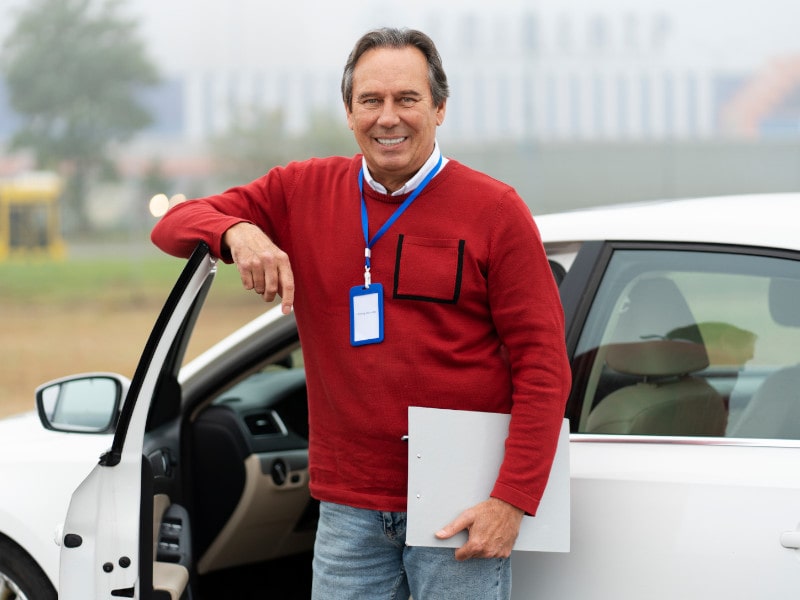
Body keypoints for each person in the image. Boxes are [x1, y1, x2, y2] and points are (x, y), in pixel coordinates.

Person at [151, 26, 570, 600]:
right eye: (370, 100)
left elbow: (544, 365)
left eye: (407, 99)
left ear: (440, 108)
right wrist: (238, 231)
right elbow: (171, 225)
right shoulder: (300, 190)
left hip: (460, 505)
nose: (388, 117)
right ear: (349, 112)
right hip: (347, 511)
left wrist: (512, 499)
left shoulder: (496, 210)